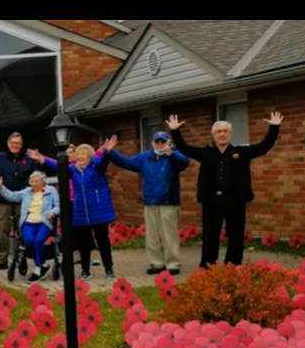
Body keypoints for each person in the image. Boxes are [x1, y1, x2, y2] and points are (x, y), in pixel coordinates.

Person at [166, 112, 282, 269]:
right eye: (218, 131)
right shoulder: (206, 154)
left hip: (235, 201)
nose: (222, 134)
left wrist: (274, 127)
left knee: (236, 236)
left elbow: (264, 147)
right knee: (210, 236)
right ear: (213, 135)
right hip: (211, 201)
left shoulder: (241, 153)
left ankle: (233, 267)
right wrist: (175, 131)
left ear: (230, 134)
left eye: (225, 131)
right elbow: (184, 148)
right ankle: (207, 267)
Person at [108, 131, 190, 275]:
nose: (160, 144)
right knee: (152, 235)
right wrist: (111, 153)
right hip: (150, 201)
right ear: (152, 143)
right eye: (157, 142)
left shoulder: (174, 156)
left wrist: (171, 153)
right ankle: (157, 263)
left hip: (168, 201)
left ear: (168, 142)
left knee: (169, 234)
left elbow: (184, 163)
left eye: (163, 141)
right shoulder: (144, 157)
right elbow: (127, 162)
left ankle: (172, 264)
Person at [34, 140, 118, 280]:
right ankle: (85, 270)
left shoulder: (96, 166)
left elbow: (103, 162)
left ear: (90, 156)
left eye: (83, 155)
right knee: (83, 243)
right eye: (78, 155)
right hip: (80, 212)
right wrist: (42, 159)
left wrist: (107, 151)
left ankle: (108, 269)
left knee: (102, 241)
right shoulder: (73, 169)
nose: (80, 157)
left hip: (99, 211)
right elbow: (58, 166)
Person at [0, 132, 42, 271]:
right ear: (8, 144)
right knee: (4, 229)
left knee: (24, 229)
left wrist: (39, 161)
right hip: (4, 199)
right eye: (13, 143)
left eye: (18, 143)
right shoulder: (0, 158)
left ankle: (24, 257)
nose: (15, 146)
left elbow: (38, 177)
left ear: (21, 145)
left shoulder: (29, 159)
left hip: (23, 200)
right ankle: (2, 260)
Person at [0, 171, 59, 283]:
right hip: (28, 222)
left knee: (38, 241)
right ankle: (43, 264)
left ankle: (38, 270)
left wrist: (52, 212)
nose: (33, 184)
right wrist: (0, 187)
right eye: (32, 181)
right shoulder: (27, 192)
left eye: (36, 181)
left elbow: (58, 206)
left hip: (44, 222)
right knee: (28, 241)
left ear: (43, 182)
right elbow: (11, 196)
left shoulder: (51, 191)